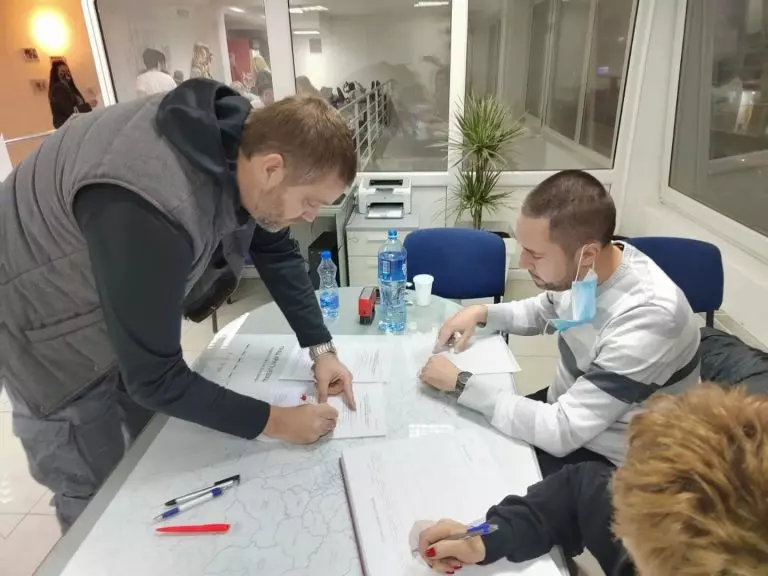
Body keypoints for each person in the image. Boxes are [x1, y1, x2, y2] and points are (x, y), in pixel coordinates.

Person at [0, 78, 358, 532]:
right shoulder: (153, 203)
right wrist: (277, 421)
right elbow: (155, 378)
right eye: (309, 202)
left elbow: (276, 251)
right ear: (273, 168)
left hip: (113, 284)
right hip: (43, 330)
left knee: (149, 451)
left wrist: (321, 349)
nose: (310, 216)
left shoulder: (245, 143)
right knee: (93, 486)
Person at [419, 170, 700, 475]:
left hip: (617, 464)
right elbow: (543, 311)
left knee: (481, 475)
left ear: (587, 254)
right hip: (569, 414)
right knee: (462, 434)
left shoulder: (649, 318)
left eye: (535, 255)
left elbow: (561, 431)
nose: (522, 263)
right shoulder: (589, 270)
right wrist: (481, 313)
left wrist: (461, 383)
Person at [417, 384, 768, 575]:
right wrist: (491, 537)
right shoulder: (666, 513)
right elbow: (579, 490)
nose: (621, 528)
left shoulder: (678, 536)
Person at [48, 60, 93, 129]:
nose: (66, 73)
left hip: (77, 123)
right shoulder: (58, 89)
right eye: (62, 71)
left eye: (67, 71)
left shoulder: (70, 88)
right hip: (68, 126)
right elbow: (70, 111)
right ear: (56, 74)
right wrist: (88, 105)